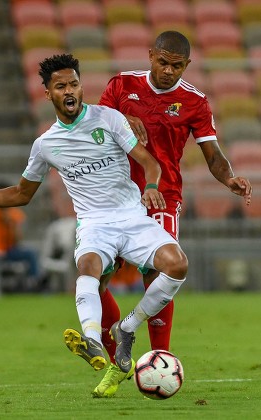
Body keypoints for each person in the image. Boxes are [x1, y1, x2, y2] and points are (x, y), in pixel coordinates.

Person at [0, 53, 188, 383]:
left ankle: (127, 327)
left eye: (74, 83)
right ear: (49, 94)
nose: (69, 90)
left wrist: (152, 186)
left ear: (81, 86)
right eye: (61, 86)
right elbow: (21, 194)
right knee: (88, 269)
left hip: (131, 215)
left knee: (177, 265)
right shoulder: (46, 145)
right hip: (94, 224)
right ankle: (91, 340)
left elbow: (150, 162)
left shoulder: (109, 119)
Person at [93, 30, 252, 397]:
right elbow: (93, 127)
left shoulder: (194, 102)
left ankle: (158, 353)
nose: (168, 71)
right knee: (97, 274)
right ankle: (119, 359)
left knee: (160, 270)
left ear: (187, 65)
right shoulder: (121, 85)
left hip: (162, 196)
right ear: (150, 55)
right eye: (162, 62)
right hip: (115, 197)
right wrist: (118, 123)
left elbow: (212, 154)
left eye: (176, 66)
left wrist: (229, 178)